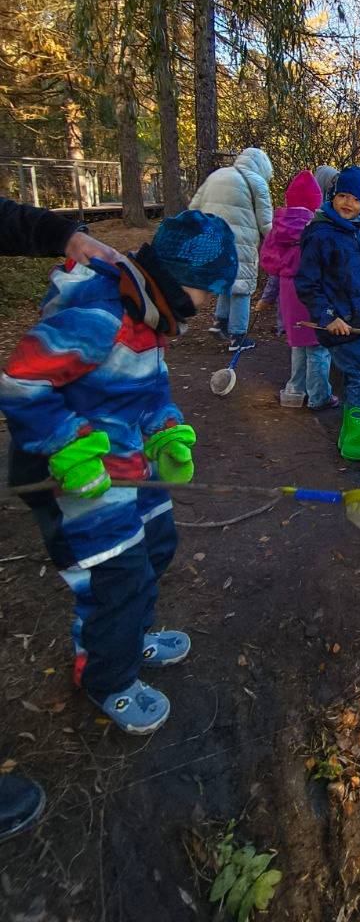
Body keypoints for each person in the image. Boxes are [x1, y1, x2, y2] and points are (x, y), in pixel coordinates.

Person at [0, 210, 238, 736]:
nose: (210, 306)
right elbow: (21, 383)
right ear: (186, 283)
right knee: (116, 575)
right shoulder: (101, 316)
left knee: (157, 543)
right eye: (211, 292)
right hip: (71, 474)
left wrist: (167, 430)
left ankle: (129, 636)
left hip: (129, 462)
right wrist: (67, 447)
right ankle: (107, 677)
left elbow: (149, 390)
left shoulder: (148, 319)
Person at [0, 200, 126, 843]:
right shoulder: (85, 327)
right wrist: (70, 449)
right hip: (48, 479)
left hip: (68, 477)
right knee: (93, 571)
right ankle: (98, 665)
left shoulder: (99, 334)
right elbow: (24, 390)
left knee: (117, 572)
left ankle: (109, 646)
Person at [295, 166, 360, 463]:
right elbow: (307, 283)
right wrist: (327, 317)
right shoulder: (321, 233)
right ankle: (357, 443)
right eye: (343, 196)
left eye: (355, 199)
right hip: (341, 325)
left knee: (359, 377)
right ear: (332, 197)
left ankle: (353, 435)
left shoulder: (354, 232)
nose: (348, 203)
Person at [258, 170, 338, 411]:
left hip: (288, 293)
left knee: (299, 343)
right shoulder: (317, 227)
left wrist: (267, 298)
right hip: (312, 292)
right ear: (316, 200)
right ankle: (319, 396)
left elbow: (271, 265)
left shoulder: (279, 226)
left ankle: (295, 389)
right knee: (318, 346)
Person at [189, 147, 273, 350]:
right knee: (242, 288)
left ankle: (220, 323)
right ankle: (238, 336)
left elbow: (194, 208)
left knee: (226, 283)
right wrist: (278, 243)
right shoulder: (257, 182)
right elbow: (266, 222)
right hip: (241, 242)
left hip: (214, 240)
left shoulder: (217, 175)